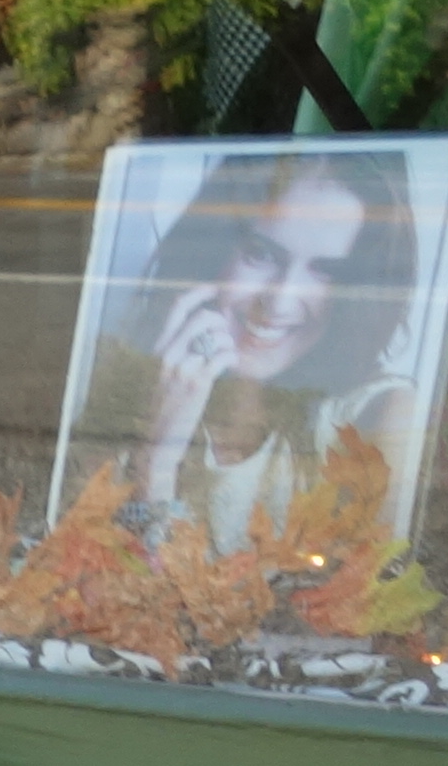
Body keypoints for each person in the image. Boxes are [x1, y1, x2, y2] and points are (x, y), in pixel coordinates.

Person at [93, 150, 425, 548]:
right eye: (260, 254)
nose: (279, 302)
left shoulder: (382, 416)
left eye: (325, 271)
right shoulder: (123, 372)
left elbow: (374, 602)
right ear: (213, 252)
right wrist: (157, 456)